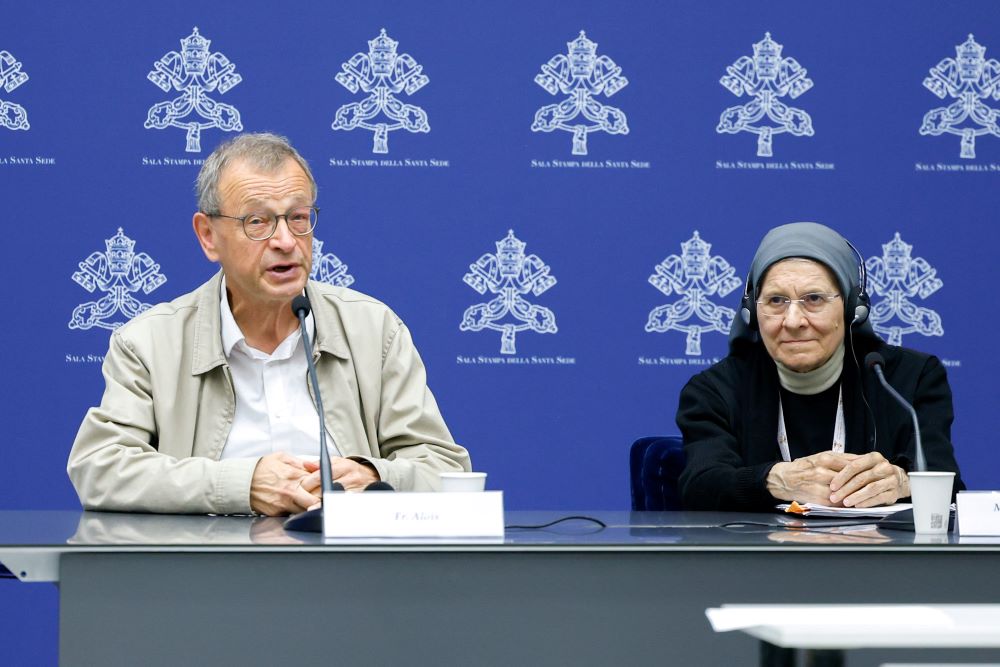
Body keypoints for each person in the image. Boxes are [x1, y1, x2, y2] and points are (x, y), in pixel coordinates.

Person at [68, 132, 470, 516]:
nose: (286, 241)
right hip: (205, 574)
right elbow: (99, 469)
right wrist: (243, 485)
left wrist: (375, 476)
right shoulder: (149, 343)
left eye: (298, 217)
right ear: (208, 236)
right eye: (257, 222)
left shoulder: (374, 330)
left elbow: (448, 472)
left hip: (350, 574)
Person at [676, 222, 963, 512]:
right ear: (751, 312)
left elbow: (946, 484)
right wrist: (773, 480)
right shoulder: (714, 389)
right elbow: (699, 485)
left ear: (852, 308)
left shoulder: (907, 379)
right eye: (776, 300)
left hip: (878, 554)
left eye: (814, 299)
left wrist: (902, 482)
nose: (793, 321)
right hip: (760, 554)